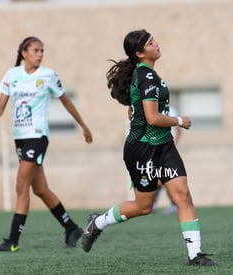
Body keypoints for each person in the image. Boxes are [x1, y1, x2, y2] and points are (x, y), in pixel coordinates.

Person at [81, 29, 217, 266]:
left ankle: (195, 254)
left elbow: (138, 104)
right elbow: (153, 118)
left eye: (154, 39)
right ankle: (98, 222)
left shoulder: (146, 73)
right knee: (144, 207)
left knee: (183, 195)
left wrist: (135, 108)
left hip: (164, 146)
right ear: (140, 53)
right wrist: (179, 121)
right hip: (142, 149)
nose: (156, 44)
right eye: (150, 42)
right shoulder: (147, 76)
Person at [0, 36, 93, 252]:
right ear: (24, 52)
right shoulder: (12, 75)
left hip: (38, 137)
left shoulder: (48, 76)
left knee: (21, 184)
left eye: (41, 51)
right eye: (35, 50)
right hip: (20, 137)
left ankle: (13, 240)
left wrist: (83, 125)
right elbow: (1, 105)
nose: (39, 54)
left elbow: (66, 101)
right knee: (40, 189)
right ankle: (71, 227)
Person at [152, 105, 182, 214]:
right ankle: (152, 203)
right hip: (156, 148)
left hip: (168, 149)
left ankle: (175, 204)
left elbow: (178, 129)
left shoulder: (171, 110)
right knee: (156, 176)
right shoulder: (152, 108)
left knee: (167, 177)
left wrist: (173, 146)